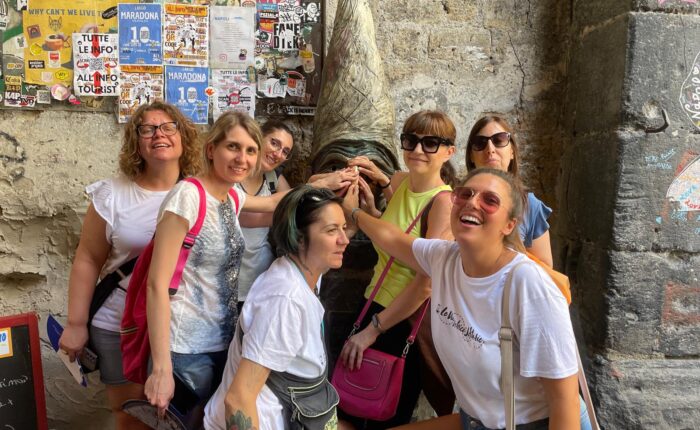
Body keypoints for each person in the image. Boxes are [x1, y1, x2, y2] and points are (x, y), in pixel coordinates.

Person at [343, 168, 585, 430]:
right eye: (465, 194)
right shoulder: (445, 258)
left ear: (509, 225)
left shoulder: (528, 285)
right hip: (475, 420)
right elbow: (391, 238)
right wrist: (353, 213)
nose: (472, 202)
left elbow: (565, 401)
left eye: (490, 200)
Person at [58, 101, 201, 430]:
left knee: (186, 419)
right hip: (121, 324)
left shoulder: (201, 192)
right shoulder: (113, 194)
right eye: (147, 129)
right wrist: (76, 323)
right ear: (136, 142)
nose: (158, 135)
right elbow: (88, 259)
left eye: (168, 127)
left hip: (185, 327)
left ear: (184, 136)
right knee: (131, 415)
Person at [338, 110, 457, 428]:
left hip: (402, 321)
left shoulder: (444, 203)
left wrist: (372, 331)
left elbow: (427, 282)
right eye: (411, 140)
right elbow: (397, 237)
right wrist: (373, 207)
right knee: (347, 409)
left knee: (386, 418)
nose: (417, 150)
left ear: (449, 151)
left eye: (430, 143)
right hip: (370, 303)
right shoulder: (401, 182)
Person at [203, 186, 349, 430]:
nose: (344, 239)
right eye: (332, 230)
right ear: (299, 238)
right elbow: (238, 400)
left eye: (344, 228)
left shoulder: (305, 269)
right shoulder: (285, 300)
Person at [466, 115, 552, 266]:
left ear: (511, 151)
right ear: (471, 156)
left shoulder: (529, 205)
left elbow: (545, 267)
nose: (490, 149)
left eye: (499, 140)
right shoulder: (458, 200)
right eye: (480, 143)